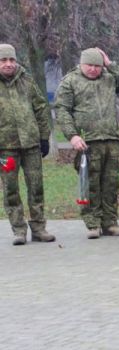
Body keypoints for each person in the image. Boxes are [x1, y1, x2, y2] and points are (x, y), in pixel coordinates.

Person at [55, 47, 119, 240]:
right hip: (87, 142)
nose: (93, 69)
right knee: (90, 184)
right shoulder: (70, 81)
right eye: (89, 65)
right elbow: (62, 110)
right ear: (81, 64)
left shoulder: (109, 77)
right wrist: (72, 135)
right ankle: (92, 223)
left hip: (110, 140)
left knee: (111, 184)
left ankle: (110, 222)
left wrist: (110, 64)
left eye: (97, 66)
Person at [0, 43, 55, 245]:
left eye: (11, 60)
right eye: (3, 60)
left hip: (31, 145)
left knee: (36, 187)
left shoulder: (27, 80)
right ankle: (19, 230)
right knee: (11, 189)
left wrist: (44, 137)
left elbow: (41, 108)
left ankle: (39, 228)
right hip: (5, 149)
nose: (8, 64)